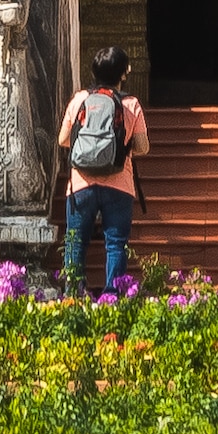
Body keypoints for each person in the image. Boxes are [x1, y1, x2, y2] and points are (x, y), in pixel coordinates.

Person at [55, 46, 149, 291]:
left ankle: (73, 295)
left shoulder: (79, 100)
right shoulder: (131, 104)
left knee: (76, 243)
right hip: (119, 183)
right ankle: (112, 298)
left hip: (81, 184)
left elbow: (63, 140)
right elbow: (143, 147)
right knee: (116, 244)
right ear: (124, 74)